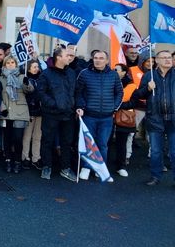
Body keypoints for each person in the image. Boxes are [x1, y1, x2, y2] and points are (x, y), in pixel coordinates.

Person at [76, 50, 123, 181]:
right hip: (89, 115)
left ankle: (100, 168)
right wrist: (80, 106)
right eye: (95, 58)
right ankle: (86, 167)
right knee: (88, 143)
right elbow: (78, 92)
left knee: (102, 144)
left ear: (107, 61)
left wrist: (114, 107)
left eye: (101, 58)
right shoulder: (84, 74)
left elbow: (119, 92)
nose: (98, 60)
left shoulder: (113, 75)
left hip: (107, 117)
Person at [36, 46, 78, 181]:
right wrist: (54, 104)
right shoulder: (46, 74)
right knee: (47, 140)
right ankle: (46, 166)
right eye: (67, 55)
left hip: (68, 114)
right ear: (58, 57)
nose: (70, 58)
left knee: (67, 142)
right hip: (51, 113)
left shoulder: (71, 73)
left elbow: (75, 91)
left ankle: (65, 168)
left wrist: (75, 106)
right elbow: (41, 93)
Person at [134, 50, 175, 186]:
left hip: (173, 119)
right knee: (156, 151)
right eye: (164, 58)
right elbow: (138, 94)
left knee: (174, 151)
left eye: (169, 57)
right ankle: (155, 176)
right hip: (155, 118)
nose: (168, 60)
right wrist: (148, 89)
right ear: (157, 61)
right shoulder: (148, 76)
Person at [0, 56, 33, 174]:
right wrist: (2, 107)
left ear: (16, 64)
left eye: (12, 62)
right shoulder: (0, 79)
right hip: (6, 112)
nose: (10, 64)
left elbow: (29, 90)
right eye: (8, 63)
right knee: (7, 139)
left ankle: (17, 161)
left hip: (20, 112)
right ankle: (8, 160)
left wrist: (27, 84)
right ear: (4, 65)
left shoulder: (22, 77)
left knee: (18, 139)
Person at [113, 63, 137, 177]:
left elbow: (133, 102)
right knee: (105, 142)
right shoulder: (109, 81)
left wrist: (117, 106)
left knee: (121, 143)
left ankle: (121, 166)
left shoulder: (131, 86)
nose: (114, 71)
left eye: (116, 69)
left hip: (123, 117)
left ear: (124, 72)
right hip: (108, 116)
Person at [22, 60, 43, 170]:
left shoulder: (42, 79)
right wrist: (26, 83)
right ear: (29, 68)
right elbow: (28, 90)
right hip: (30, 111)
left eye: (37, 66)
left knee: (37, 136)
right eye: (33, 67)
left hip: (40, 111)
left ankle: (36, 158)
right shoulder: (26, 79)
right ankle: (25, 157)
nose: (36, 68)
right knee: (27, 136)